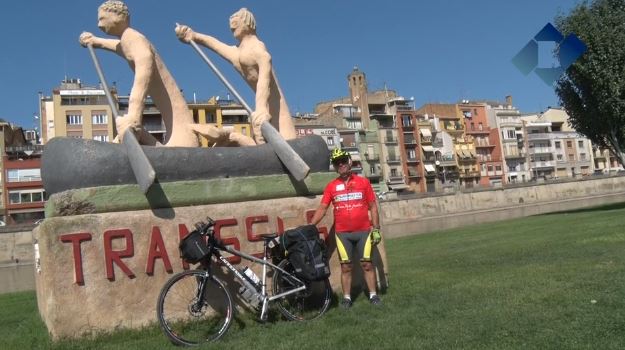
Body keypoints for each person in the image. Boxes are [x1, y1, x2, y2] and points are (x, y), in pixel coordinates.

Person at [80, 1, 248, 147]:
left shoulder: (133, 38)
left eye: (102, 19)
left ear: (117, 16)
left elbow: (145, 64)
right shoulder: (128, 40)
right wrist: (96, 41)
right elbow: (120, 48)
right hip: (180, 135)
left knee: (134, 130)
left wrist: (134, 114)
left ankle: (230, 136)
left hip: (183, 138)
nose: (99, 25)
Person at [175, 8, 297, 144]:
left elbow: (264, 77)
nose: (232, 27)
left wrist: (261, 107)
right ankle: (233, 137)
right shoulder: (238, 52)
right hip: (262, 116)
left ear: (247, 23)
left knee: (289, 146)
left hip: (278, 116)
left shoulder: (257, 47)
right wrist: (194, 35)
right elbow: (216, 45)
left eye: (236, 23)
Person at [310, 149, 383, 307]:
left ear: (349, 161)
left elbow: (373, 206)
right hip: (343, 234)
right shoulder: (331, 186)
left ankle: (373, 295)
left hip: (363, 231)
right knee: (346, 267)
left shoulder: (363, 182)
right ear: (335, 166)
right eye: (337, 162)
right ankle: (347, 298)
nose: (341, 164)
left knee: (367, 264)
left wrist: (376, 229)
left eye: (343, 160)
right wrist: (310, 226)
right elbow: (322, 208)